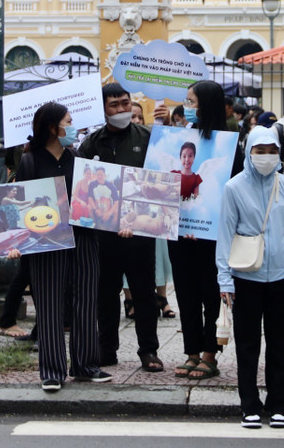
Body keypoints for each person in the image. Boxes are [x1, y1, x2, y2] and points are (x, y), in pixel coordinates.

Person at [6, 101, 109, 391]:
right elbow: (21, 205)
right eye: (68, 121)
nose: (73, 126)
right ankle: (52, 371)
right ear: (53, 128)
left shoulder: (78, 158)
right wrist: (17, 242)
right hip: (46, 241)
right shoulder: (30, 161)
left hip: (83, 238)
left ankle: (85, 365)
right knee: (49, 304)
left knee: (86, 300)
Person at [217, 125, 284, 429]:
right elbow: (225, 236)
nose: (266, 157)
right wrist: (225, 281)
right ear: (248, 152)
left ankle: (279, 405)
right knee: (248, 345)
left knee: (281, 344)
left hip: (281, 279)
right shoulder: (234, 187)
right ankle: (249, 405)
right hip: (245, 278)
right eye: (259, 151)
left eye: (271, 151)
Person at [78, 83, 162, 372]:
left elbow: (157, 183)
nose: (122, 110)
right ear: (103, 109)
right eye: (114, 105)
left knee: (144, 293)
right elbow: (82, 189)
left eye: (125, 103)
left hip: (139, 233)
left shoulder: (147, 138)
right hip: (103, 235)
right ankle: (106, 348)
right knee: (105, 292)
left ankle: (149, 351)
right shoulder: (91, 144)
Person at [165, 80, 234, 381]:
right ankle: (191, 352)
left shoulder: (229, 144)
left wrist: (203, 222)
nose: (187, 107)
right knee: (185, 291)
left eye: (192, 102)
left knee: (210, 293)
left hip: (211, 235)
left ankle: (209, 353)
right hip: (179, 233)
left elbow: (227, 193)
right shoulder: (178, 139)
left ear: (206, 104)